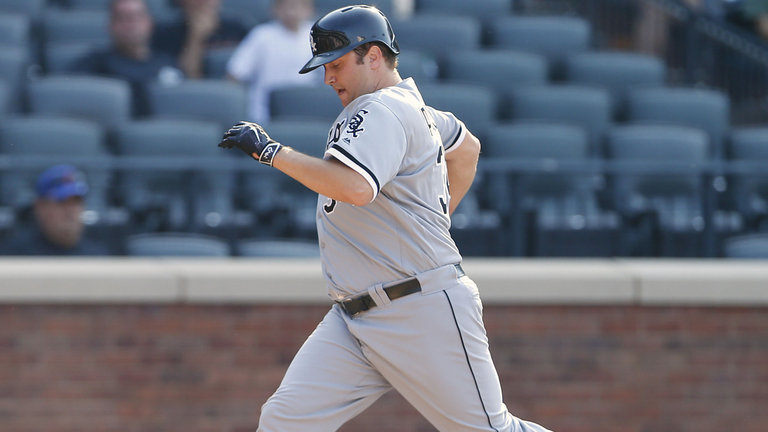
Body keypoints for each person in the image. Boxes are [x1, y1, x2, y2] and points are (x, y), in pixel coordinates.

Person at [218, 5, 551, 431]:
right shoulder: (413, 108)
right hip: (354, 317)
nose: (328, 77)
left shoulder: (380, 109)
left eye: (336, 64)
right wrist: (437, 214)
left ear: (373, 56)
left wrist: (272, 152)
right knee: (285, 421)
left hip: (418, 307)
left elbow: (356, 187)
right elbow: (467, 146)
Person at [73, 0, 184, 116]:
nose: (131, 23)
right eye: (123, 18)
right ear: (110, 25)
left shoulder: (167, 63)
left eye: (138, 16)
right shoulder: (94, 63)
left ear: (150, 23)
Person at [226, 0, 322, 123]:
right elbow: (235, 73)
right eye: (286, 6)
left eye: (299, 6)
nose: (292, 11)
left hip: (307, 112)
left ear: (310, 9)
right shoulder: (261, 35)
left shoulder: (318, 36)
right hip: (263, 114)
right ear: (275, 9)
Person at [0, 165, 110, 256]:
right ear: (40, 206)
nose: (70, 211)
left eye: (76, 202)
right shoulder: (15, 256)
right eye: (62, 202)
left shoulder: (97, 256)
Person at [153, 0, 248, 79]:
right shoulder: (166, 33)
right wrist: (196, 37)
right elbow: (186, 76)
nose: (204, 2)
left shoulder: (238, 27)